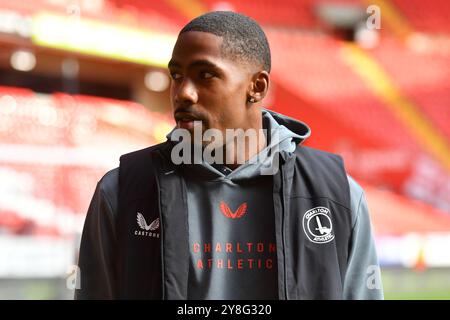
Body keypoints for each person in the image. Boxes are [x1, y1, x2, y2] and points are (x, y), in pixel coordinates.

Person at [75, 11, 383, 300]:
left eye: (205, 75)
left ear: (257, 87)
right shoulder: (121, 191)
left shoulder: (336, 196)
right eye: (177, 75)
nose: (183, 92)